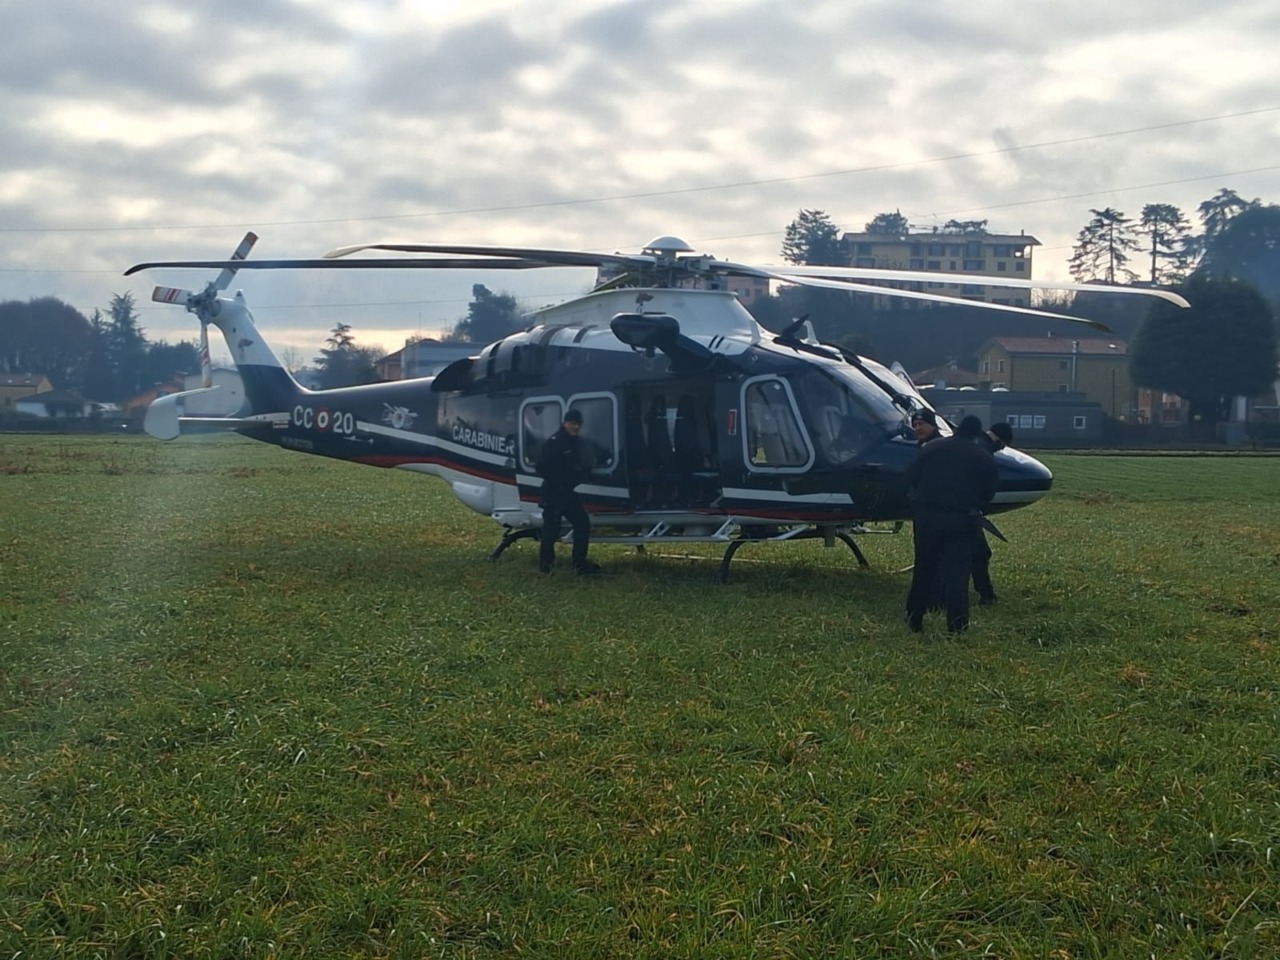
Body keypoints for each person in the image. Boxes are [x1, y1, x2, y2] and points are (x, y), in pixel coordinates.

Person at [903, 415, 997, 633]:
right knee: (957, 574)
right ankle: (957, 625)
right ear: (976, 434)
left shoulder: (932, 448)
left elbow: (909, 476)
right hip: (961, 519)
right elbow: (988, 493)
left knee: (924, 568)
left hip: (927, 517)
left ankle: (914, 617)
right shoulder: (982, 456)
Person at [536, 409, 600, 575]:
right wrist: (559, 479)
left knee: (582, 523)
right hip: (553, 493)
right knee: (551, 531)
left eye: (579, 424)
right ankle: (545, 567)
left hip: (568, 493)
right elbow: (541, 468)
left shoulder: (577, 442)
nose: (576, 427)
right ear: (565, 423)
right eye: (573, 423)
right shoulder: (555, 442)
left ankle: (580, 563)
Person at [971, 421, 1014, 605]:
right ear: (999, 439)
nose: (1001, 449)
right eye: (1003, 445)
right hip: (967, 511)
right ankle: (986, 594)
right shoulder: (984, 451)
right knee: (980, 553)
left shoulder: (974, 442)